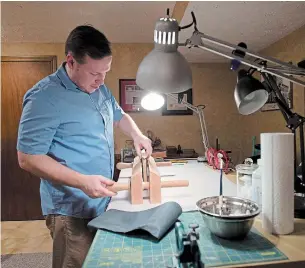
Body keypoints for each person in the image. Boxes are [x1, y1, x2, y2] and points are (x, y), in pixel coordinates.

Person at [17, 25, 152, 268]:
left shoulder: (100, 89)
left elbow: (119, 115)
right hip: (70, 209)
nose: (101, 80)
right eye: (94, 73)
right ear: (71, 61)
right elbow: (28, 157)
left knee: (99, 261)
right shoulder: (43, 97)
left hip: (100, 200)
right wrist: (82, 182)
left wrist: (138, 135)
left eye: (106, 72)